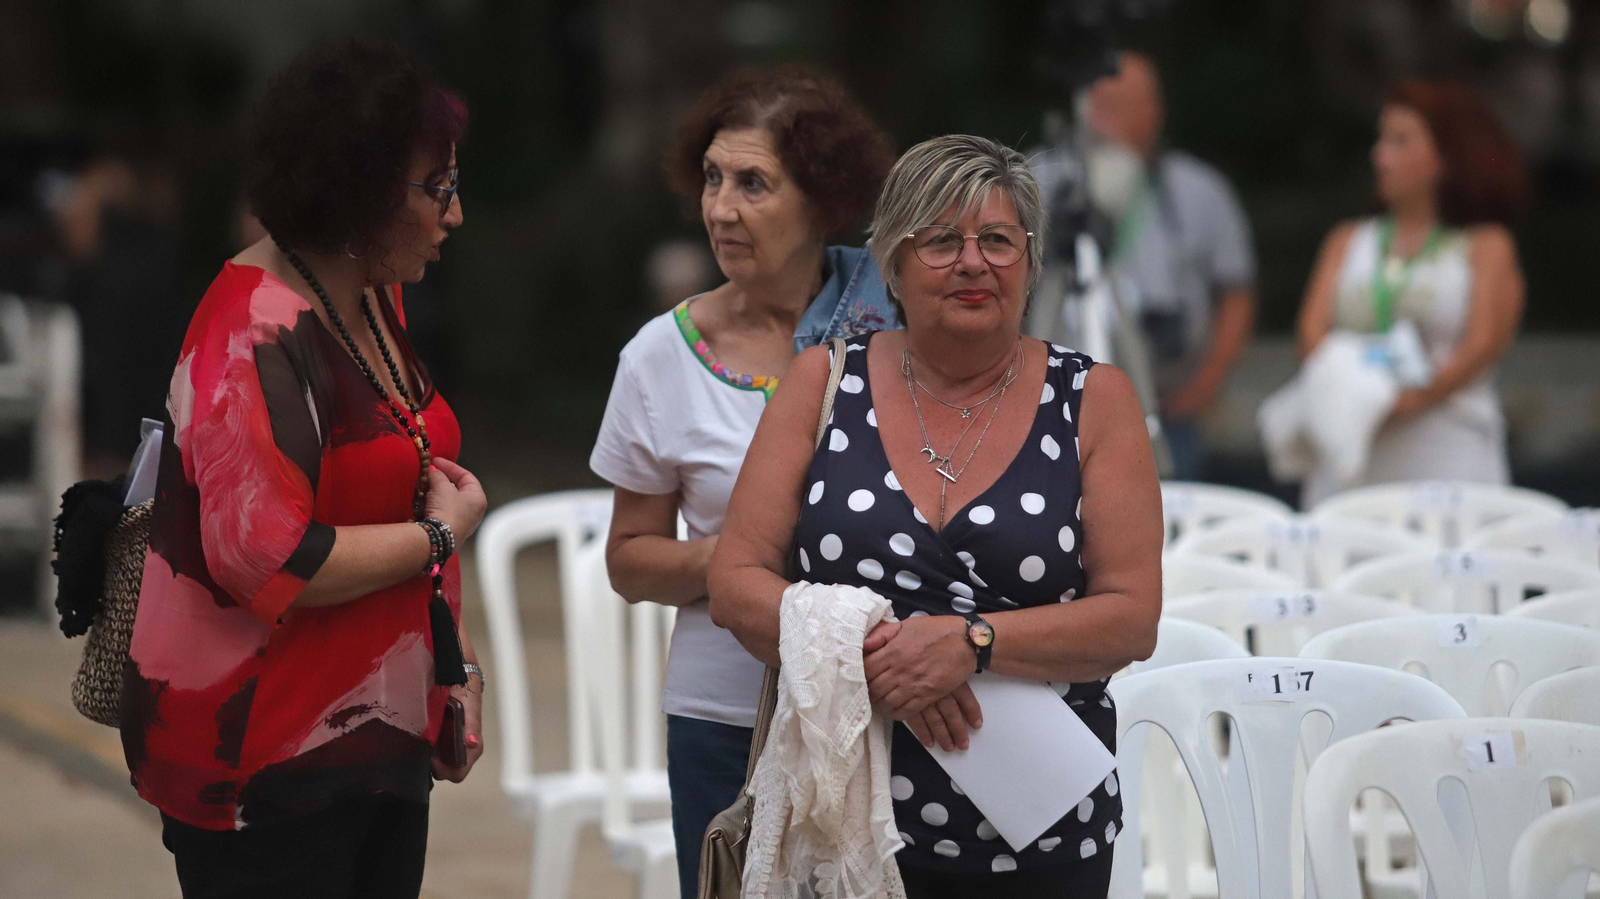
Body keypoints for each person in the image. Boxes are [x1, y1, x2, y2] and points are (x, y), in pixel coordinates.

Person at [707, 134, 1162, 897]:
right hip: (842, 822)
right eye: (943, 240)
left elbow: (1130, 618)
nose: (973, 262)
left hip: (1044, 833)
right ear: (894, 259)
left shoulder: (1094, 397)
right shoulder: (825, 380)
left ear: (1030, 259)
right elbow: (734, 580)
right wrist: (874, 651)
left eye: (997, 240)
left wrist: (971, 643)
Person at [120, 38, 488, 898]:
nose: (455, 214)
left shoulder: (368, 291)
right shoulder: (249, 335)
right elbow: (274, 561)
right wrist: (438, 535)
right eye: (437, 190)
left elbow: (406, 460)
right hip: (264, 765)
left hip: (375, 741)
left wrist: (453, 665)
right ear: (358, 193)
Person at [588, 64, 899, 898]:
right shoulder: (663, 354)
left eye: (754, 184)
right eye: (713, 178)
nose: (721, 208)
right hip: (727, 719)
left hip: (891, 703)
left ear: (823, 197)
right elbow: (629, 558)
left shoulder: (899, 323)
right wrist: (743, 565)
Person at [1293, 78, 1526, 506]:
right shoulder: (1347, 239)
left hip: (1447, 452)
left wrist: (1409, 401)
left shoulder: (1486, 245)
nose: (1380, 156)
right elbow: (1311, 333)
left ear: (1445, 155)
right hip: (1353, 443)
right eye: (1382, 140)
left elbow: (1484, 343)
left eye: (1400, 141)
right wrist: (1357, 395)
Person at [1077, 51, 1258, 481]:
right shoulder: (1048, 184)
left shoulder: (1202, 191)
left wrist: (1205, 384)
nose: (1105, 119)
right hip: (1064, 404)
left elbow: (1237, 294)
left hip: (1171, 403)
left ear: (1153, 111)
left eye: (1118, 105)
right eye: (1098, 106)